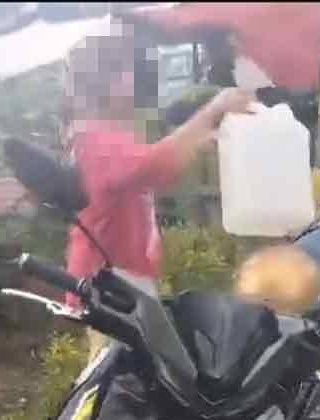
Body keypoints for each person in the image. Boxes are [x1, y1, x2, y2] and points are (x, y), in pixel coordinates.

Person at [60, 27, 255, 359]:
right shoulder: (93, 138)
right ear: (106, 82)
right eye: (126, 71)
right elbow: (158, 164)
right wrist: (213, 109)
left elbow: (156, 172)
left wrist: (201, 139)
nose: (135, 80)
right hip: (106, 291)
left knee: (133, 376)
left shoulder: (105, 133)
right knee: (117, 383)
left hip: (125, 284)